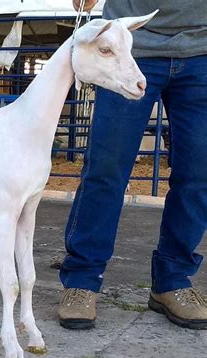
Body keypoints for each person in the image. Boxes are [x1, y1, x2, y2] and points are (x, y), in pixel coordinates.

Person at [58, 0, 207, 330]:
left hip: (202, 49)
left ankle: (174, 280)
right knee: (106, 168)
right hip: (129, 40)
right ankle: (83, 279)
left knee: (199, 171)